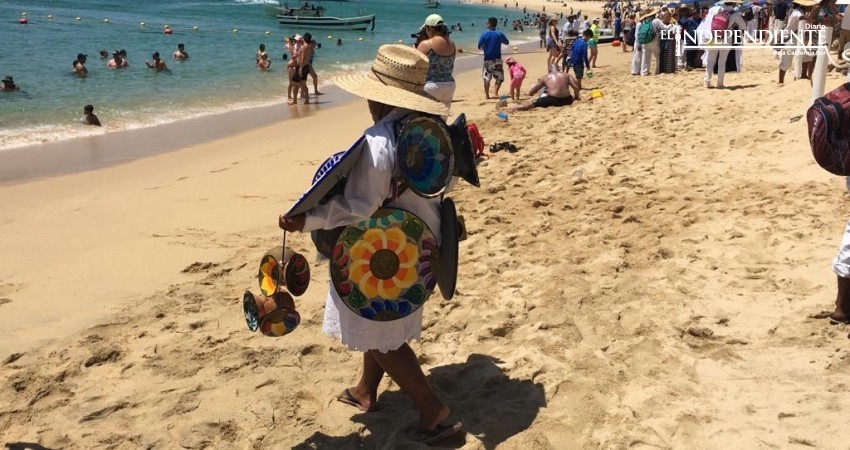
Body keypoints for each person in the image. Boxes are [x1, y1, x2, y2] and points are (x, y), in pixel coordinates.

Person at [278, 43, 462, 445]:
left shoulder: (380, 141)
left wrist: (306, 218)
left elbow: (358, 208)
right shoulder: (430, 128)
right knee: (379, 324)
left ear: (375, 94)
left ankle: (435, 413)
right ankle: (365, 389)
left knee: (377, 325)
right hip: (422, 242)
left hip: (383, 249)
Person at [699, 0, 747, 87]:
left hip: (713, 38)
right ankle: (720, 83)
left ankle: (707, 81)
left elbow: (708, 22)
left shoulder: (715, 9)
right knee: (722, 61)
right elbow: (744, 26)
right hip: (726, 39)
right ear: (734, 3)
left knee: (710, 60)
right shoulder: (734, 14)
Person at [416, 14, 456, 114]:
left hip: (431, 86)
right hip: (450, 85)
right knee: (441, 121)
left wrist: (417, 44)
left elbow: (415, 65)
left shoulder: (426, 44)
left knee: (426, 121)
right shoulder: (452, 44)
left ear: (430, 28)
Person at [503, 64, 579, 111]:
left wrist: (531, 93)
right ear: (558, 69)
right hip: (567, 100)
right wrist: (576, 98)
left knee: (528, 105)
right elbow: (576, 87)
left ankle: (506, 109)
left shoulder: (546, 77)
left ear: (549, 70)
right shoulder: (567, 75)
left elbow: (533, 91)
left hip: (553, 100)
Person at [778, 0, 815, 83]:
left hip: (798, 38)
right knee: (786, 61)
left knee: (807, 57)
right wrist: (812, 19)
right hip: (790, 39)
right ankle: (780, 81)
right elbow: (801, 18)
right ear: (805, 6)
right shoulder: (797, 12)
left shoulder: (802, 12)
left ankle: (804, 75)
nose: (811, 7)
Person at [477, 17, 510, 99]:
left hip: (487, 60)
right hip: (497, 59)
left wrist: (485, 49)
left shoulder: (484, 34)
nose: (486, 24)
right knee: (499, 78)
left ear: (489, 24)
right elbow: (507, 42)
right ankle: (495, 93)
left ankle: (487, 96)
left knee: (486, 78)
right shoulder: (499, 34)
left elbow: (479, 46)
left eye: (487, 22)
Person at [294, 33, 314, 104]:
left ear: (304, 38)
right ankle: (307, 100)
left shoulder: (304, 47)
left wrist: (300, 69)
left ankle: (295, 100)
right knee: (304, 84)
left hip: (301, 66)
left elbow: (302, 58)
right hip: (306, 66)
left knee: (295, 84)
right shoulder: (309, 46)